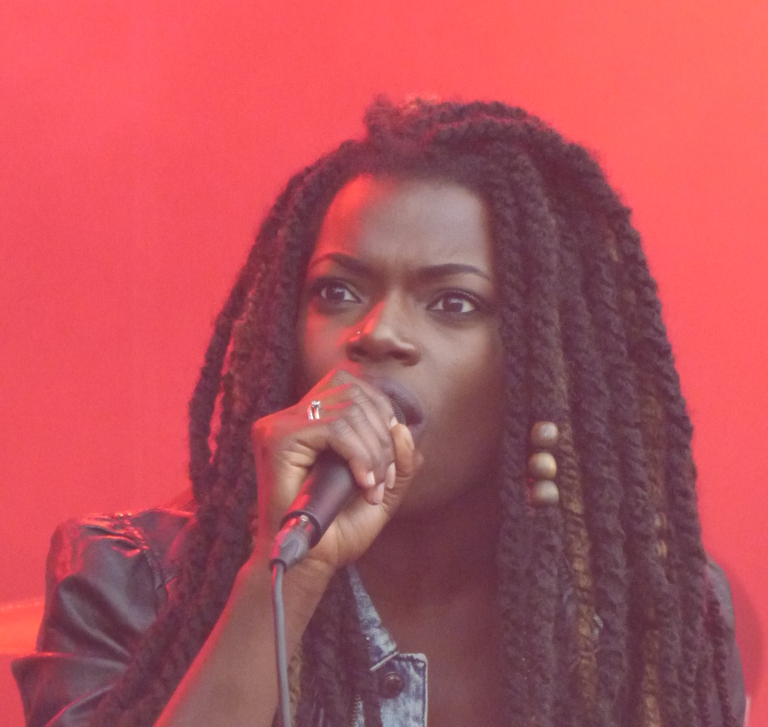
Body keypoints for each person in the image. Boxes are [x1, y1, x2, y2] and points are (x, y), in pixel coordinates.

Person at [13, 97, 745, 727]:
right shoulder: (129, 580)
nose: (379, 332)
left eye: (453, 303)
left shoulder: (654, 605)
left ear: (545, 359)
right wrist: (281, 578)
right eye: (338, 292)